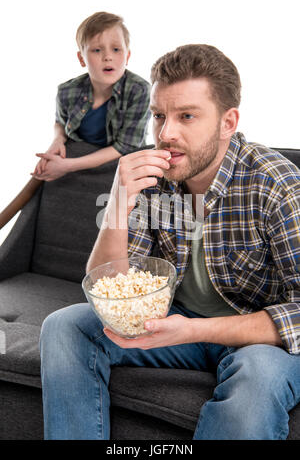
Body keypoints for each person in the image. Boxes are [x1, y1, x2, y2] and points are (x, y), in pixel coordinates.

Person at [40, 44, 300, 440]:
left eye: (187, 117)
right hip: (176, 324)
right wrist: (119, 200)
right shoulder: (154, 175)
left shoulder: (275, 185)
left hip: (259, 341)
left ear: (228, 122)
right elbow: (109, 289)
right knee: (65, 326)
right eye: (159, 116)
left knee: (258, 379)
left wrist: (193, 331)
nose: (166, 134)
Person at [31, 11, 151, 182]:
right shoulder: (67, 91)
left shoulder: (139, 90)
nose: (108, 57)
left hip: (119, 163)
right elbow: (60, 122)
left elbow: (126, 146)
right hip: (80, 156)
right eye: (96, 50)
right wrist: (57, 140)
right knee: (44, 174)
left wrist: (67, 166)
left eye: (116, 49)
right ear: (82, 58)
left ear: (127, 56)